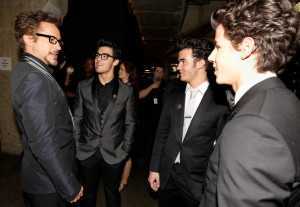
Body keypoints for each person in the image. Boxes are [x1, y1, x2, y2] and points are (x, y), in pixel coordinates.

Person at [200, 0, 300, 206]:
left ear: (246, 48)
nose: (211, 57)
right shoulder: (286, 99)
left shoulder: (253, 127)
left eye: (218, 47)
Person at [10, 10, 83, 207]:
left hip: (45, 178)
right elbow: (43, 144)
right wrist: (68, 185)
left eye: (59, 41)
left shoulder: (30, 70)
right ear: (29, 40)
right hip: (49, 184)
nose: (58, 46)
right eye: (52, 39)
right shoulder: (34, 78)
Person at [148, 37, 229, 207]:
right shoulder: (172, 94)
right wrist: (154, 168)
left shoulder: (221, 102)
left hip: (197, 182)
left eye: (183, 61)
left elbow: (222, 148)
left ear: (200, 63)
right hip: (167, 175)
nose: (178, 67)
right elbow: (161, 134)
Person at [73, 39, 136, 207]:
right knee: (88, 195)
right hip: (87, 152)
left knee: (112, 194)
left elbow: (130, 122)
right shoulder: (83, 86)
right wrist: (78, 145)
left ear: (115, 62)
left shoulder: (127, 91)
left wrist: (125, 150)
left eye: (105, 56)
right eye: (97, 55)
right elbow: (77, 118)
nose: (98, 59)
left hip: (115, 153)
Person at [137, 65, 166, 165]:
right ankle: (141, 156)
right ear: (153, 72)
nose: (159, 73)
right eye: (157, 71)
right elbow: (139, 96)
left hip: (159, 118)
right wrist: (151, 87)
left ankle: (153, 160)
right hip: (146, 117)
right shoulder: (146, 83)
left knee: (156, 140)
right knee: (144, 138)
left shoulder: (165, 85)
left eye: (161, 72)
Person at [118, 60, 139, 192]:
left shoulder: (131, 90)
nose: (119, 71)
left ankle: (124, 181)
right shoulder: (118, 86)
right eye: (119, 69)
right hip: (117, 125)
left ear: (128, 73)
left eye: (121, 69)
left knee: (127, 155)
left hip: (126, 127)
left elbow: (132, 114)